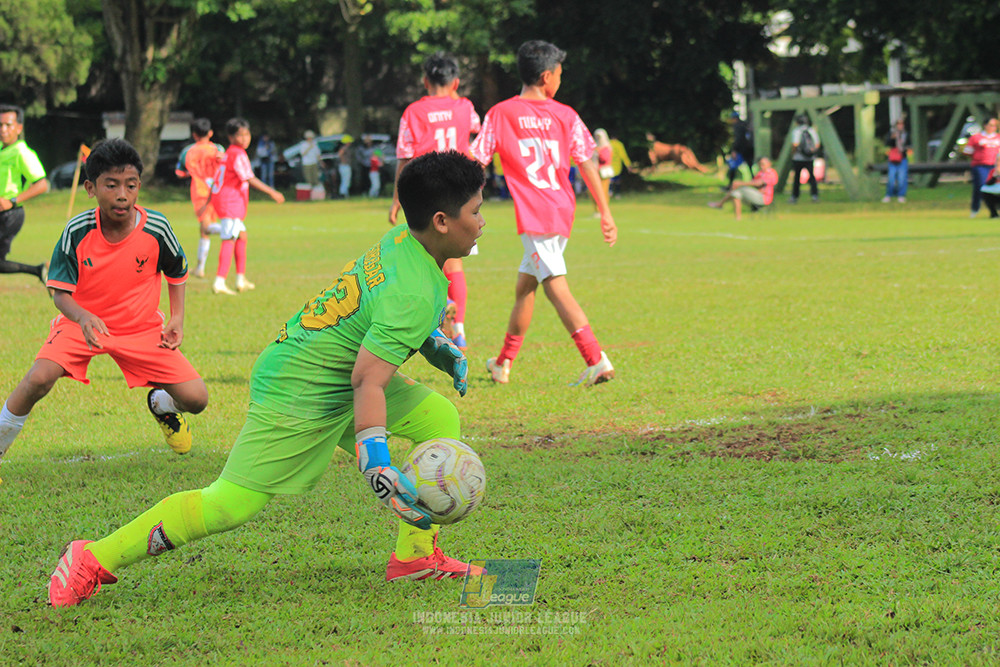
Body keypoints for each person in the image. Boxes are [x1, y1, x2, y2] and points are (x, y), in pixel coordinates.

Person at [48, 150, 486, 608]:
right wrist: (375, 459)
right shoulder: (414, 290)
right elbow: (369, 381)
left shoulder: (403, 240)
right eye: (475, 211)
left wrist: (435, 347)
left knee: (438, 415)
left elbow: (377, 315)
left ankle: (415, 557)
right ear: (440, 221)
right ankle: (92, 557)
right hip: (301, 386)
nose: (481, 222)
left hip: (330, 369)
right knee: (229, 504)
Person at [0, 138, 208, 483]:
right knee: (38, 378)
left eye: (131, 185)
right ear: (90, 188)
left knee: (196, 398)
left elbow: (177, 272)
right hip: (81, 322)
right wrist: (81, 316)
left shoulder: (157, 228)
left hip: (141, 328)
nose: (122, 195)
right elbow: (60, 292)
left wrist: (177, 318)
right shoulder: (77, 231)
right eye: (111, 185)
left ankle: (161, 404)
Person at [470, 40, 617, 387]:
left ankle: (596, 359)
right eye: (561, 75)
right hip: (559, 211)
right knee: (525, 288)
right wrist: (605, 210)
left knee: (555, 286)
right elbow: (586, 162)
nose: (561, 82)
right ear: (547, 76)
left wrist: (457, 196)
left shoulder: (501, 114)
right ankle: (503, 362)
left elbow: (476, 160)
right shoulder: (565, 115)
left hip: (537, 216)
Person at [390, 51, 482, 350]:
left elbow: (404, 158)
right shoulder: (465, 107)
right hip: (459, 192)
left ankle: (435, 320)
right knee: (455, 262)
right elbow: (477, 136)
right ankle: (460, 329)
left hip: (426, 192)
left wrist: (396, 200)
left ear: (424, 80)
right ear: (455, 81)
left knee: (424, 261)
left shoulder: (414, 112)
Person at [210, 118, 285, 296]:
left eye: (246, 134)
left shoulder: (231, 152)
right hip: (230, 202)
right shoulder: (238, 153)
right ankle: (219, 281)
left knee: (241, 236)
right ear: (230, 137)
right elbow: (249, 178)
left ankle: (240, 278)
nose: (244, 138)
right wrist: (272, 192)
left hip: (227, 200)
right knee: (229, 238)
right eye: (239, 135)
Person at [0, 104, 50, 285]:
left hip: (10, 214)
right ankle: (39, 271)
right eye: (0, 125)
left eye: (8, 125)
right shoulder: (1, 149)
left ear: (19, 128)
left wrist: (12, 201)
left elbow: (42, 185)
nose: (3, 130)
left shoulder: (23, 152)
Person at [175, 118, 224, 278]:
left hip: (200, 191)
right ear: (210, 133)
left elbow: (179, 172)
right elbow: (225, 164)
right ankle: (200, 268)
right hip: (217, 190)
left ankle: (233, 229)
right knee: (204, 230)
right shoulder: (218, 148)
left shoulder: (187, 151)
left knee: (206, 227)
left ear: (194, 134)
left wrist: (191, 172)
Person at [707, 156, 779, 220]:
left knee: (739, 189)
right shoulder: (760, 173)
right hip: (755, 195)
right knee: (736, 194)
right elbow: (753, 182)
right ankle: (738, 218)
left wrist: (740, 183)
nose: (761, 166)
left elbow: (758, 183)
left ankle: (720, 204)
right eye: (760, 164)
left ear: (769, 164)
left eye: (763, 164)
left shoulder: (771, 173)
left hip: (764, 198)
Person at [964, 117, 1000, 218]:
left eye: (995, 126)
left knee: (994, 188)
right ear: (985, 125)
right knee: (981, 186)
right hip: (981, 165)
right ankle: (975, 209)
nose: (993, 128)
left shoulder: (998, 137)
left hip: (996, 166)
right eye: (991, 125)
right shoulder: (976, 138)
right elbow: (967, 151)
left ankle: (994, 211)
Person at [789, 114, 820, 203]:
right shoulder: (811, 130)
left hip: (798, 158)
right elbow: (817, 144)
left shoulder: (796, 131)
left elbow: (795, 144)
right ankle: (814, 195)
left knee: (797, 178)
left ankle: (795, 196)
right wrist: (811, 152)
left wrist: (793, 153)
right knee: (812, 177)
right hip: (810, 158)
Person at [882, 116, 911, 204]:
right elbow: (887, 144)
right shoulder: (891, 134)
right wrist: (892, 138)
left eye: (901, 124)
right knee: (891, 178)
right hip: (893, 159)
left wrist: (906, 149)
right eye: (898, 124)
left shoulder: (906, 134)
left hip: (902, 158)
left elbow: (909, 144)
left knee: (902, 178)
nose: (900, 126)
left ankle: (901, 195)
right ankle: (889, 195)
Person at [726, 111, 755, 189]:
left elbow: (738, 139)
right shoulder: (745, 124)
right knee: (750, 166)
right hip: (749, 149)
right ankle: (755, 182)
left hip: (740, 150)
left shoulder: (737, 126)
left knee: (733, 166)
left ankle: (730, 185)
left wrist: (734, 150)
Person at [593, 128, 615, 210]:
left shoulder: (606, 147)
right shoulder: (596, 146)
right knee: (595, 191)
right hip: (595, 171)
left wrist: (598, 152)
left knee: (603, 191)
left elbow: (605, 159)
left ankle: (603, 209)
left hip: (603, 172)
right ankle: (597, 209)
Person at [608, 133, 633, 197]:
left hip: (608, 165)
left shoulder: (607, 143)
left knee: (609, 180)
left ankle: (609, 192)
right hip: (617, 166)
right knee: (617, 181)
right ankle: (617, 194)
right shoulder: (619, 144)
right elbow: (623, 155)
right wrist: (628, 165)